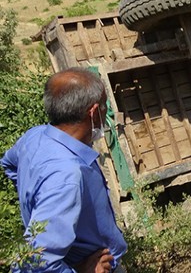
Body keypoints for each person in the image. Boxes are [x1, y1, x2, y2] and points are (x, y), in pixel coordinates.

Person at [1, 67, 127, 272]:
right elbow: (33, 266)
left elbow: (8, 163)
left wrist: (36, 201)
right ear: (94, 112)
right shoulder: (66, 175)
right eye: (104, 107)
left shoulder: (34, 136)